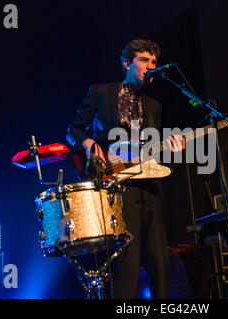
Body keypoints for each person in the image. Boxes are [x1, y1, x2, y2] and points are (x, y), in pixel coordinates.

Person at [66, 39, 185, 298]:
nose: (150, 66)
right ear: (127, 64)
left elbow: (153, 151)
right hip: (117, 187)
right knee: (127, 262)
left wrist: (173, 148)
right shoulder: (100, 92)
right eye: (144, 60)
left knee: (159, 261)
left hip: (150, 187)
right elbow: (72, 130)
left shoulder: (154, 107)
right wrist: (86, 141)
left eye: (153, 62)